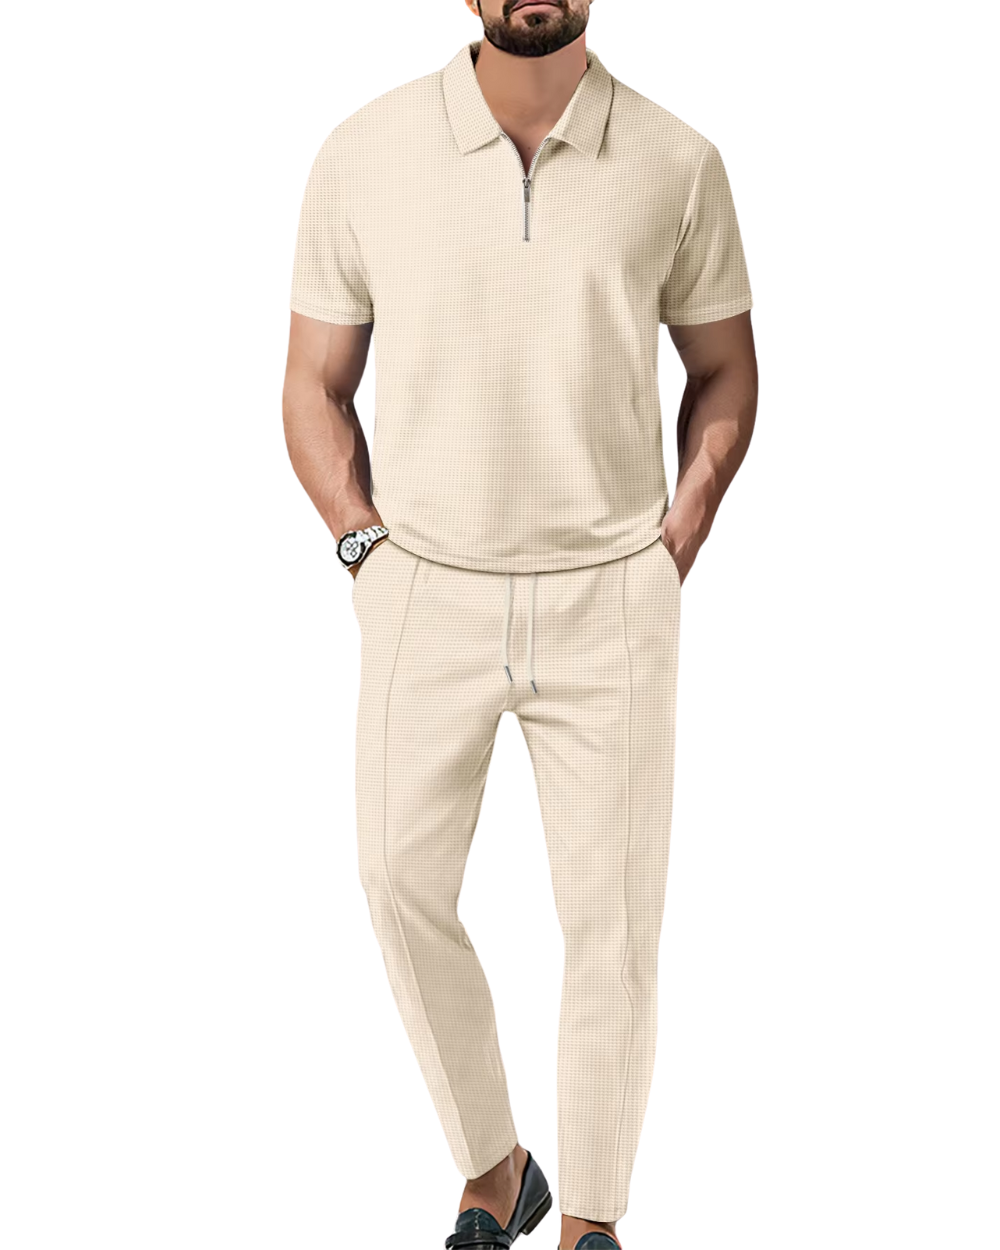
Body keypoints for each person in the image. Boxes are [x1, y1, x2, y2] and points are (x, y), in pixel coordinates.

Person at [281, 2, 758, 1247]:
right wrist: (362, 544)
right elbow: (314, 382)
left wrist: (675, 537)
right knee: (395, 876)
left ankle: (590, 1214)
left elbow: (724, 368)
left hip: (611, 585)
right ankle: (495, 1165)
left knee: (614, 921)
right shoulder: (364, 152)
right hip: (425, 579)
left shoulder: (678, 161)